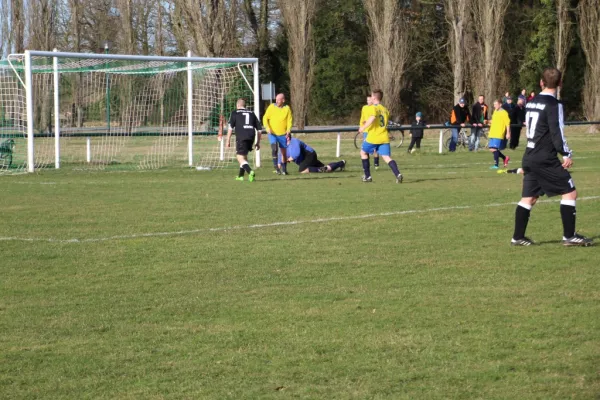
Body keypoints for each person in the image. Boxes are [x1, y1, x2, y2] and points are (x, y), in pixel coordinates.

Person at [511, 67, 593, 246]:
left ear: (541, 83)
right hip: (545, 158)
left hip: (530, 155)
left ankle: (517, 237)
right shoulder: (555, 105)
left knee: (529, 198)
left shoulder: (531, 102)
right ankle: (569, 236)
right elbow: (557, 133)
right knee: (570, 193)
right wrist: (566, 154)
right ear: (560, 84)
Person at [358, 89, 403, 183]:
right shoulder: (385, 109)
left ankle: (367, 176)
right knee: (386, 157)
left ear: (374, 97)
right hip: (384, 137)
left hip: (373, 136)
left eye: (371, 96)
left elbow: (373, 117)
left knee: (363, 153)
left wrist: (363, 127)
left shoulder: (372, 108)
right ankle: (398, 174)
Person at [226, 98, 261, 182]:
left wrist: (228, 140)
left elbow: (230, 128)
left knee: (239, 157)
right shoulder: (252, 113)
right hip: (251, 137)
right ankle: (240, 176)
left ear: (237, 105)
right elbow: (259, 129)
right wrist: (258, 142)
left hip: (242, 137)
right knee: (244, 156)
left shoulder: (235, 113)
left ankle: (250, 171)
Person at [263, 93, 292, 175]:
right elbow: (265, 118)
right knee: (274, 149)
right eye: (276, 99)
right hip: (272, 133)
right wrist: (267, 128)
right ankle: (276, 168)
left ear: (283, 100)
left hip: (283, 134)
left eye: (279, 99)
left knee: (284, 153)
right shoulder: (271, 107)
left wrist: (288, 129)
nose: (277, 101)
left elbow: (289, 121)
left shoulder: (287, 109)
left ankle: (284, 169)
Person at [487, 99, 511, 169]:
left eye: (496, 104)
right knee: (491, 149)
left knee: (494, 149)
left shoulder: (504, 112)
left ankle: (496, 165)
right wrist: (488, 122)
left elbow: (507, 123)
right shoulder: (495, 111)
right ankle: (505, 158)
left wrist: (508, 133)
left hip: (498, 133)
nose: (494, 106)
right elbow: (494, 121)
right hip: (492, 132)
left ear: (500, 104)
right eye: (494, 104)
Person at [360, 96, 379, 169]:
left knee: (374, 149)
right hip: (366, 131)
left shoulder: (374, 108)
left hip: (373, 131)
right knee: (365, 149)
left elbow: (374, 118)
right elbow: (362, 118)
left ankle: (376, 163)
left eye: (369, 100)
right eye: (367, 100)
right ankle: (366, 164)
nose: (368, 101)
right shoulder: (364, 107)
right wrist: (361, 126)